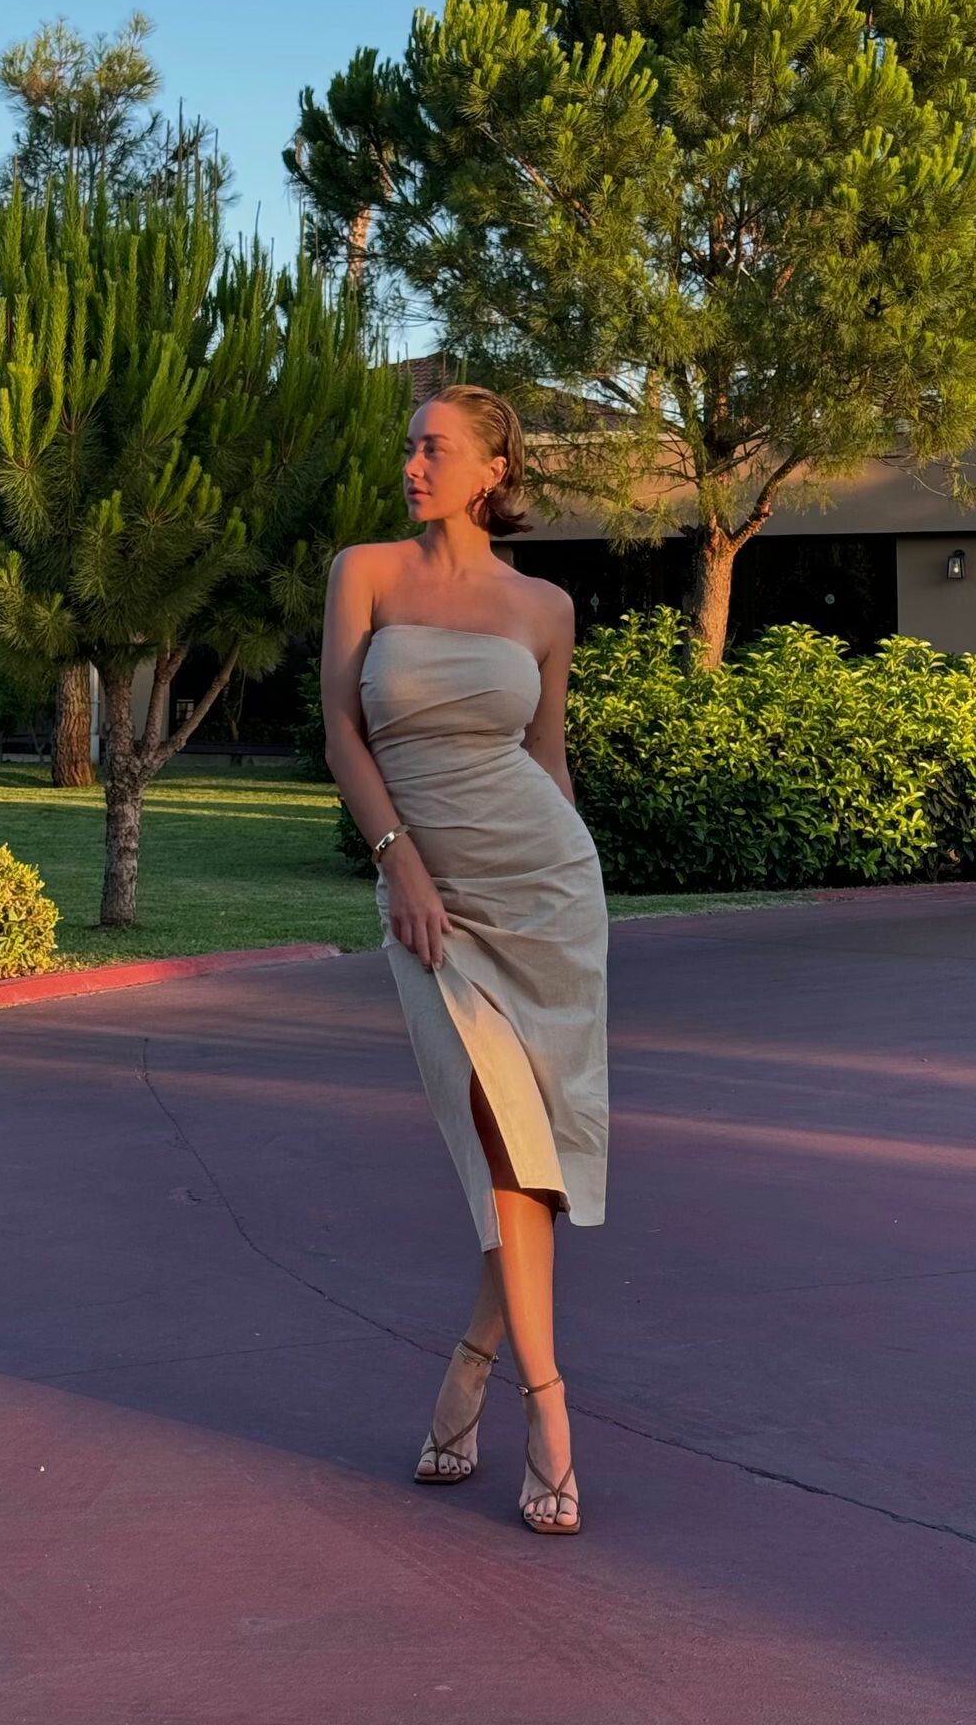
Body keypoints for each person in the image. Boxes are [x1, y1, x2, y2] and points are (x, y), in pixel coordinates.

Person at [320, 383, 610, 1535]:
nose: (413, 464)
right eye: (408, 447)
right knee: (499, 1130)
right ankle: (551, 1408)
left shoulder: (546, 607)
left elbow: (548, 757)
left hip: (545, 893)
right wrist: (399, 863)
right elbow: (342, 730)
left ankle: (474, 1367)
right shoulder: (366, 573)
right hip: (429, 901)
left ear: (494, 469)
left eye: (436, 449)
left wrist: (576, 892)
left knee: (531, 1156)